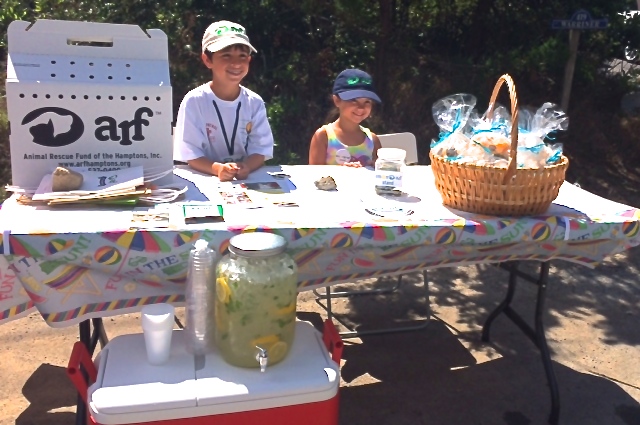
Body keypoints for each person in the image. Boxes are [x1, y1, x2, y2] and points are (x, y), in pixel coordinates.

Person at [174, 20, 274, 181]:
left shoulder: (254, 102)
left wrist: (246, 166)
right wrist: (217, 168)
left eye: (242, 56)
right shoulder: (194, 101)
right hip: (204, 180)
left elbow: (261, 150)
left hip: (244, 182)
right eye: (226, 55)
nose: (235, 63)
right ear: (207, 60)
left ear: (248, 60)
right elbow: (190, 153)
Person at [308, 69, 382, 167]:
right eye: (353, 100)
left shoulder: (373, 140)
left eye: (367, 102)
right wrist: (342, 172)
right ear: (337, 100)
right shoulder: (323, 136)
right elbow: (314, 176)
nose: (361, 107)